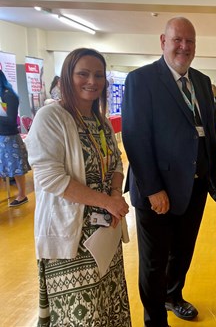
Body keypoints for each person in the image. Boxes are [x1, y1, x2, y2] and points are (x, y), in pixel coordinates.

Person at [122, 17, 216, 327]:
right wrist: (152, 189)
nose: (184, 46)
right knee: (154, 261)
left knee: (182, 252)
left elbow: (208, 133)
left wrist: (215, 178)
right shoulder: (142, 80)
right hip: (158, 191)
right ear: (163, 42)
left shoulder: (202, 83)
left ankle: (173, 296)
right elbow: (135, 137)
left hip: (195, 187)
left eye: (190, 41)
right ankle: (155, 319)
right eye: (177, 40)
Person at [25, 48, 131, 326]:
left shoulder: (102, 123)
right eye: (82, 73)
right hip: (72, 239)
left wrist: (115, 196)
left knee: (108, 305)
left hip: (105, 233)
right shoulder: (51, 117)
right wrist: (106, 202)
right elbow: (51, 179)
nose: (92, 81)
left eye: (98, 75)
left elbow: (117, 164)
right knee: (82, 315)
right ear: (65, 78)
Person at [0, 70, 31, 207]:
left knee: (16, 167)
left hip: (9, 137)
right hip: (1, 136)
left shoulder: (9, 96)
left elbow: (12, 120)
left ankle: (22, 194)